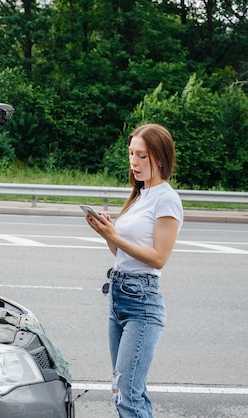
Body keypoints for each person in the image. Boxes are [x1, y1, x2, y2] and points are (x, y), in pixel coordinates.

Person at [85, 123, 183, 418]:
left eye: (142, 156)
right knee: (128, 392)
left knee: (125, 394)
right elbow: (121, 252)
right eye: (131, 154)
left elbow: (159, 258)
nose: (133, 162)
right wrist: (108, 234)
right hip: (119, 295)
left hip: (142, 300)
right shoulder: (139, 196)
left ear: (160, 159)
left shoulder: (167, 199)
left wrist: (114, 237)